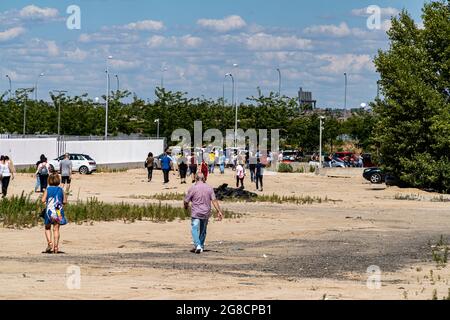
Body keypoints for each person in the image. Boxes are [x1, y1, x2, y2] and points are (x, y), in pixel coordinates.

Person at [184, 173, 224, 254]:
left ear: (195, 178)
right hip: (206, 212)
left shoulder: (193, 188)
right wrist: (219, 211)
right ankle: (200, 246)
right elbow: (214, 200)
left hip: (196, 212)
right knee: (203, 230)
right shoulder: (209, 188)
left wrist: (185, 206)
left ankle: (198, 245)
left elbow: (186, 200)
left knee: (194, 228)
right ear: (204, 178)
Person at [42, 173, 67, 254]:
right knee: (56, 229)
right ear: (58, 181)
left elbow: (43, 200)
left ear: (49, 180)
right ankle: (56, 246)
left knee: (47, 228)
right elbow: (64, 201)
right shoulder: (61, 190)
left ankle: (50, 243)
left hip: (49, 211)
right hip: (58, 210)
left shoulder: (48, 189)